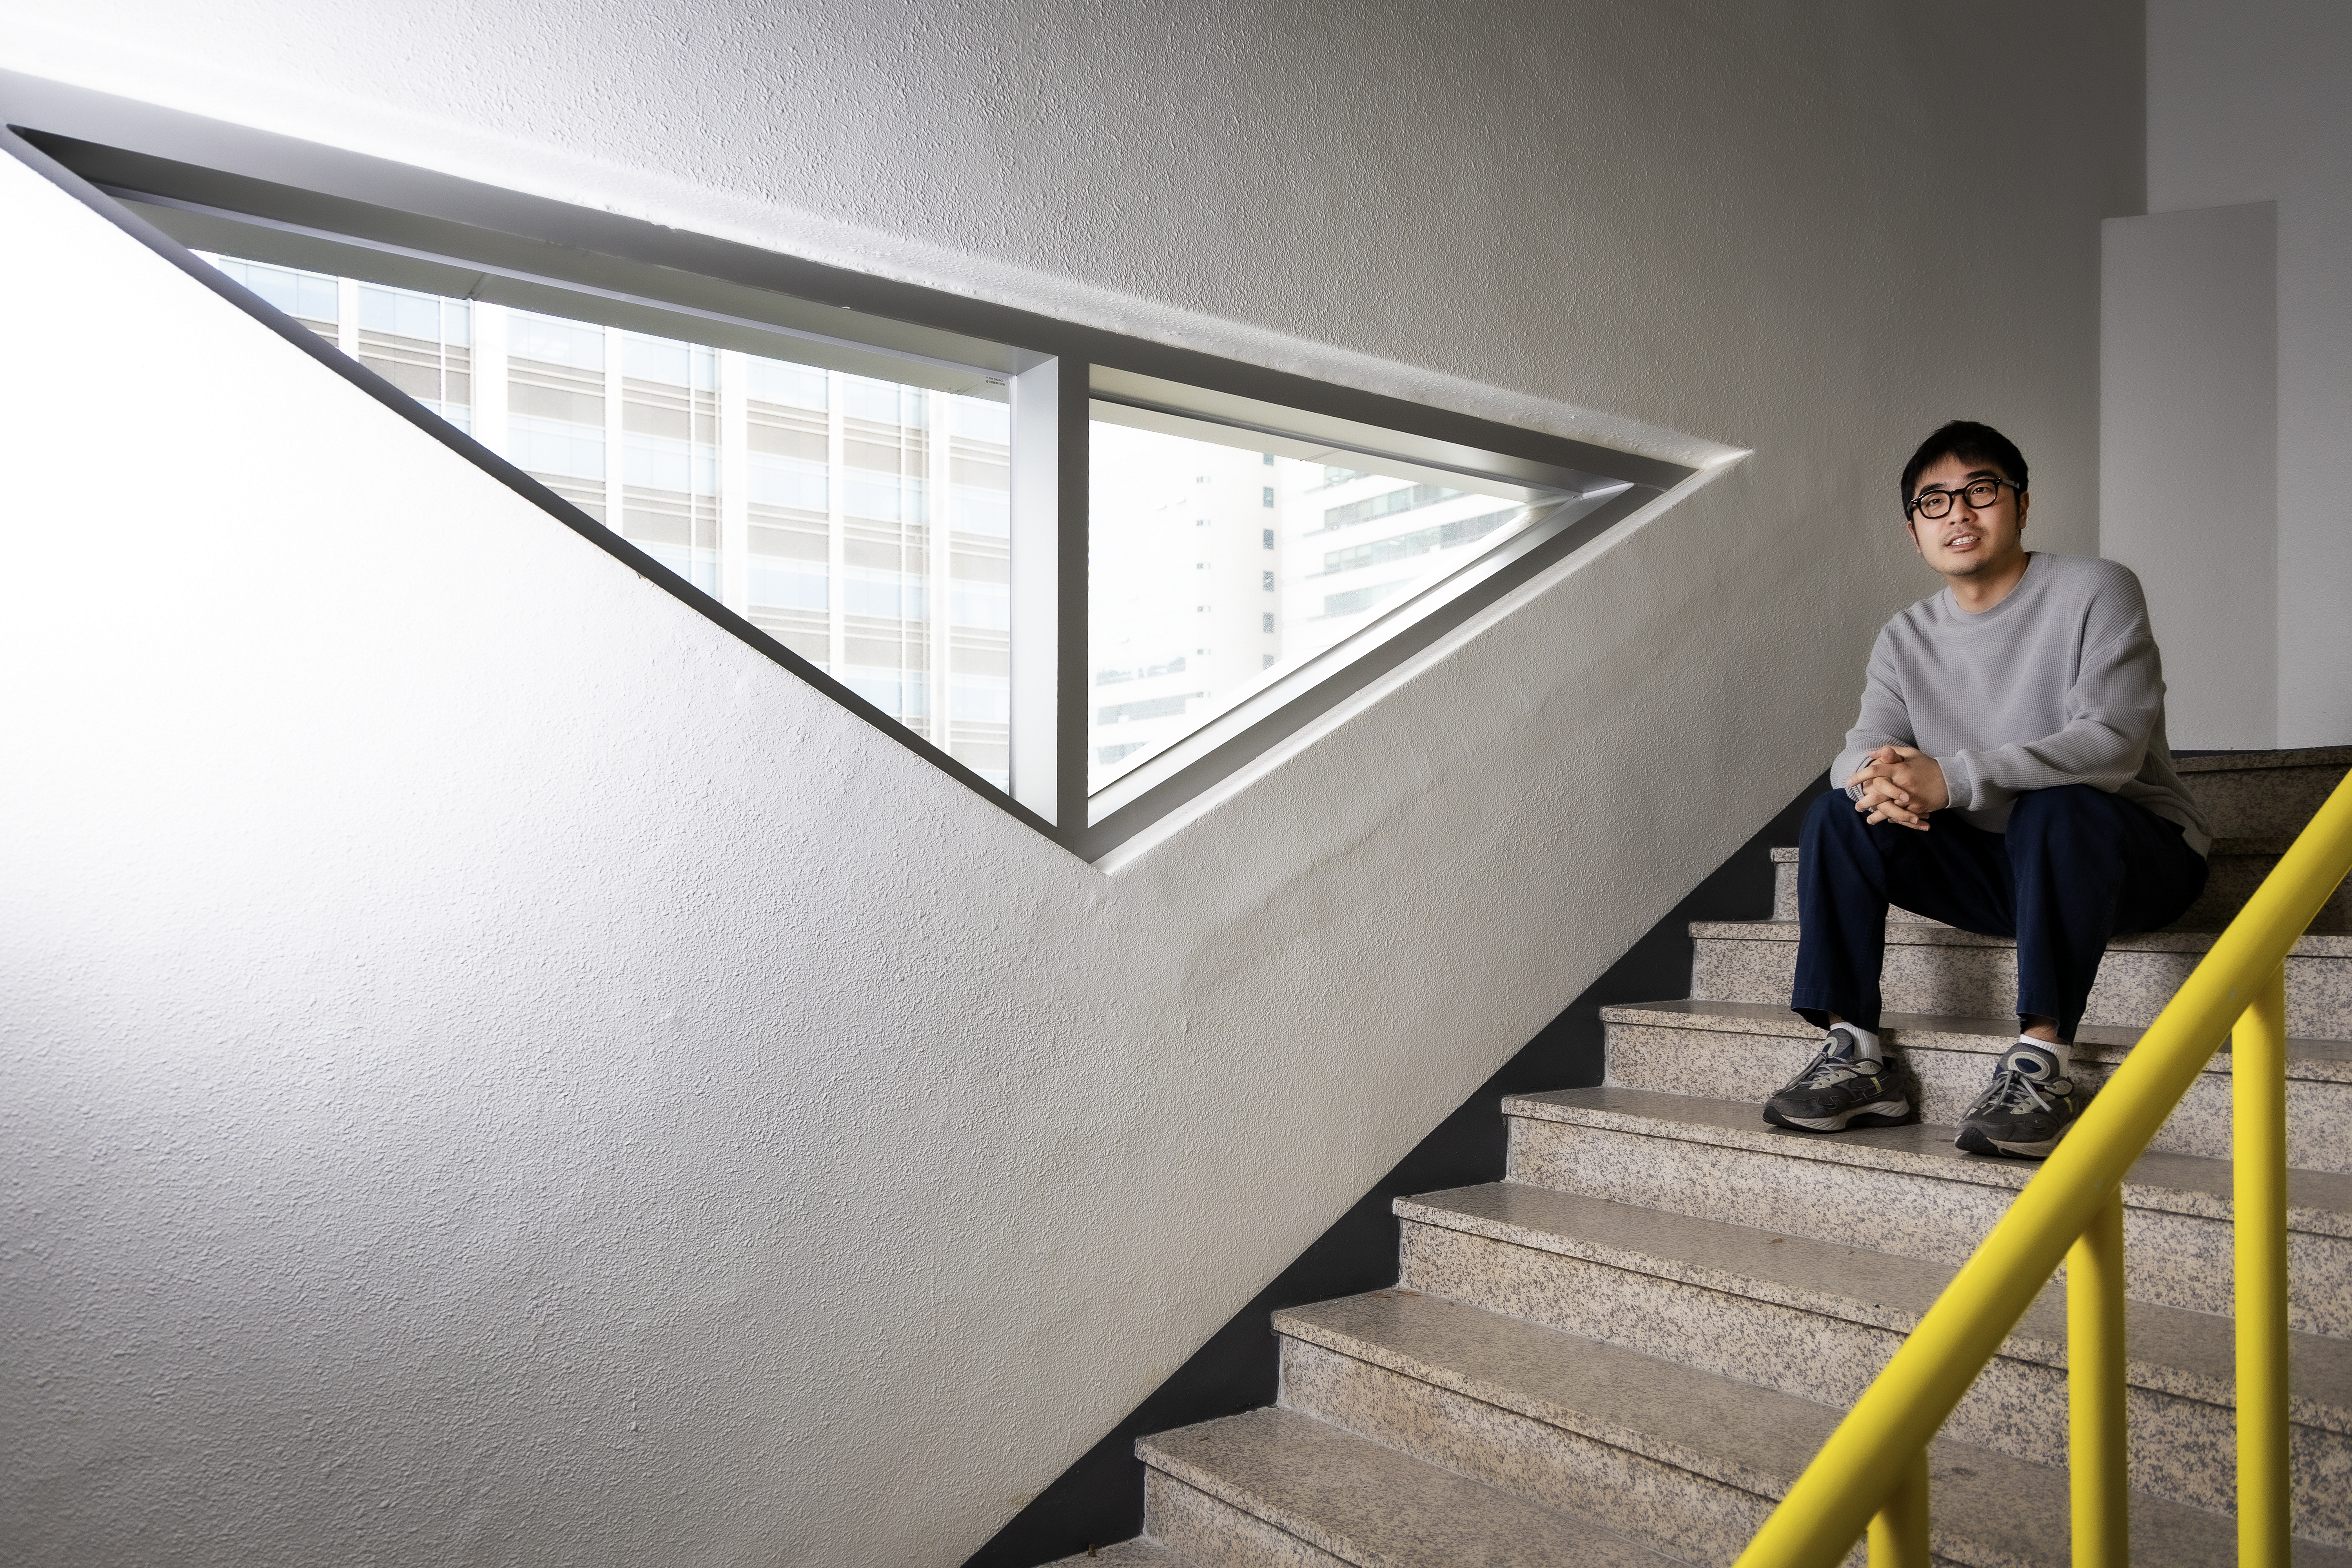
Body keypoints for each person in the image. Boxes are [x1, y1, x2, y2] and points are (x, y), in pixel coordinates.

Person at [1763, 421, 2211, 1158]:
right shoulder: (1905, 637)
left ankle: (2042, 1063)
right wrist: (1881, 782)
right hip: (2002, 873)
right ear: (1915, 532)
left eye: (1980, 491)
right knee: (1837, 814)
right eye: (1933, 503)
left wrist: (1953, 779)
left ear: (2022, 505)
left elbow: (2112, 743)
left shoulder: (2096, 589)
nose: (1959, 514)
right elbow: (1854, 752)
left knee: (2056, 804)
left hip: (2130, 857)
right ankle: (1855, 1052)